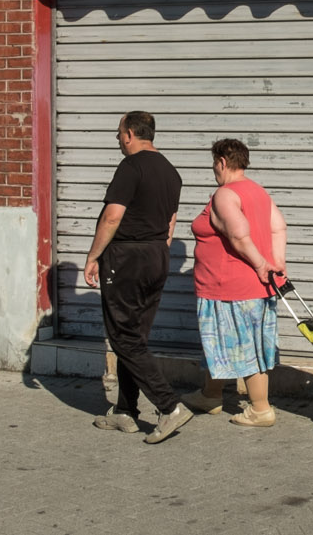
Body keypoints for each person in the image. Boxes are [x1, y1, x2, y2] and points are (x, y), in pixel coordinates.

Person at [83, 111, 192, 444]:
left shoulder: (131, 167)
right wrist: (156, 252)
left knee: (123, 337)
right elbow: (171, 224)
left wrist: (93, 256)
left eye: (118, 133)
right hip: (157, 254)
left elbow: (112, 217)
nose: (117, 139)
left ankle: (169, 406)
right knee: (136, 336)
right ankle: (125, 412)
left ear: (130, 134)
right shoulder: (171, 173)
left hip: (127, 257)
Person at [181, 138, 288, 427]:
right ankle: (210, 395)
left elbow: (239, 234)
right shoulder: (257, 191)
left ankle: (260, 409)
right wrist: (277, 264)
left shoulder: (226, 194)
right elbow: (278, 226)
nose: (214, 169)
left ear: (222, 162)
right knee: (216, 344)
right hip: (251, 287)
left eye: (214, 163)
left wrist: (260, 263)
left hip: (229, 287)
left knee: (243, 347)